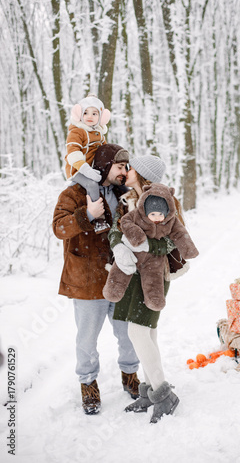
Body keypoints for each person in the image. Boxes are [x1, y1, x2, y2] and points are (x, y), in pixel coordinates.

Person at [104, 155, 199, 423]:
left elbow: (174, 242)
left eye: (131, 168)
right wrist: (118, 246)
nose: (126, 171)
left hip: (156, 276)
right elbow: (115, 230)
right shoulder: (126, 202)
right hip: (131, 273)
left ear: (143, 174)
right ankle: (148, 392)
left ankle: (162, 393)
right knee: (148, 333)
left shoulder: (165, 202)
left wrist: (148, 247)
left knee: (137, 331)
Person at [53, 143, 140, 415]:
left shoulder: (123, 195)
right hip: (87, 282)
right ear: (104, 166)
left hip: (120, 278)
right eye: (119, 166)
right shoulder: (73, 194)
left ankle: (130, 376)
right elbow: (59, 228)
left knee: (128, 333)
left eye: (126, 167)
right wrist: (87, 215)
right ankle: (88, 384)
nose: (124, 172)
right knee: (87, 339)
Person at [103, 182, 199, 311]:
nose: (158, 218)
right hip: (132, 251)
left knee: (153, 278)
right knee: (121, 269)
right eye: (153, 214)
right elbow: (125, 222)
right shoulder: (136, 214)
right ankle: (113, 290)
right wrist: (136, 236)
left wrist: (189, 250)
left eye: (161, 214)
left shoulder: (171, 221)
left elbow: (180, 234)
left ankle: (154, 299)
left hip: (154, 257)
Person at [65, 94, 111, 233]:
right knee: (91, 184)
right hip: (77, 170)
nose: (89, 116)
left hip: (93, 169)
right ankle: (99, 219)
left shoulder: (100, 134)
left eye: (94, 113)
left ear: (101, 117)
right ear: (79, 114)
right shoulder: (77, 131)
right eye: (85, 112)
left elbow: (105, 152)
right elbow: (73, 152)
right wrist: (85, 169)